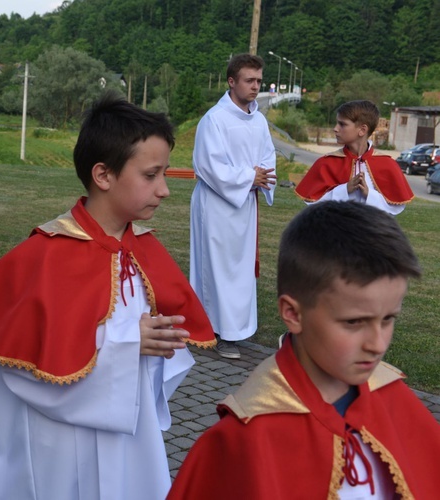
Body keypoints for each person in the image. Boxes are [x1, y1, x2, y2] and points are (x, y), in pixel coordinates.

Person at [0, 93, 216, 500]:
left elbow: (166, 347)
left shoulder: (142, 248)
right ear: (103, 175)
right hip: (58, 443)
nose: (164, 190)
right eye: (151, 175)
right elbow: (19, 366)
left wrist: (158, 343)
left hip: (128, 431)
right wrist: (126, 344)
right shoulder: (46, 254)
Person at [168, 201, 440, 499]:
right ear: (293, 313)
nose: (377, 344)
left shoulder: (393, 398)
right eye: (353, 322)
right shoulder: (246, 439)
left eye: (388, 319)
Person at [189, 53, 277, 360]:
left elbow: (268, 159)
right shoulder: (214, 119)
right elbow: (208, 165)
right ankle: (215, 330)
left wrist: (261, 178)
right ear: (232, 81)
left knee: (238, 270)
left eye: (258, 81)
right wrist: (248, 177)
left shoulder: (259, 120)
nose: (255, 87)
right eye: (249, 81)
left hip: (245, 205)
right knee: (216, 267)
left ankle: (235, 329)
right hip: (216, 204)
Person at [295, 100, 413, 215]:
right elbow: (313, 205)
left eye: (342, 124)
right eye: (337, 123)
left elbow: (395, 208)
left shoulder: (387, 164)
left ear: (362, 130)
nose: (335, 128)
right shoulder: (326, 163)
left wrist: (369, 194)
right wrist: (344, 189)